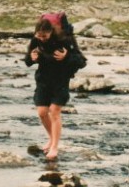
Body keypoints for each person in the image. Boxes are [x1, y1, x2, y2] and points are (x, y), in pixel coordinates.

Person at [24, 16, 85, 161]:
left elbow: (82, 62)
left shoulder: (65, 41)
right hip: (43, 81)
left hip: (60, 81)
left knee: (54, 111)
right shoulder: (35, 41)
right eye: (39, 35)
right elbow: (27, 61)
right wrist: (31, 58)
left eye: (44, 36)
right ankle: (52, 138)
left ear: (51, 32)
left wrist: (66, 56)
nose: (42, 38)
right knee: (42, 112)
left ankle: (54, 147)